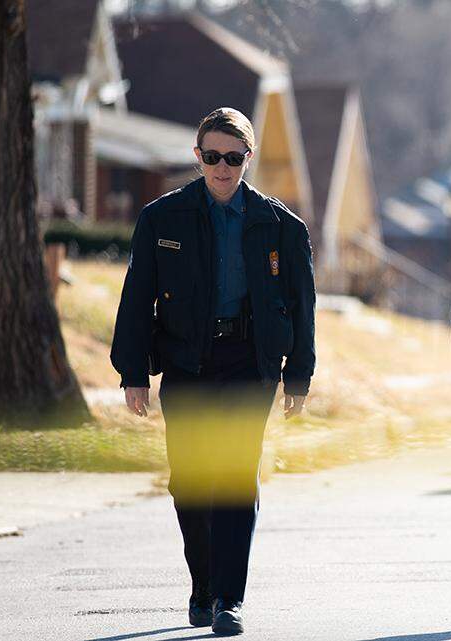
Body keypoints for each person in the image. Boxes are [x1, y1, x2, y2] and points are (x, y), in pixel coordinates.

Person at [110, 107, 315, 636]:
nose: (222, 167)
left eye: (233, 157)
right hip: (186, 362)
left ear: (247, 158)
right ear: (196, 157)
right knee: (190, 483)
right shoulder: (162, 219)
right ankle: (202, 586)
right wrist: (133, 372)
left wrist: (299, 377)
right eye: (212, 156)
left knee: (235, 477)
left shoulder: (280, 227)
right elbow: (137, 298)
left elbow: (302, 304)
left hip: (250, 362)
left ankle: (228, 598)